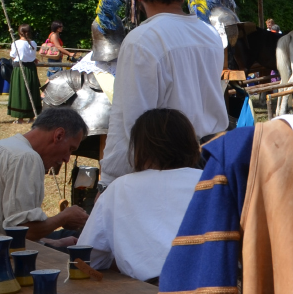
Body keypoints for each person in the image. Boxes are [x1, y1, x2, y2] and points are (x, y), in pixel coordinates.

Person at [101, 0, 228, 184]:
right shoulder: (209, 35)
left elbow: (133, 123)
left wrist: (113, 183)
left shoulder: (142, 39)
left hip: (161, 173)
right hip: (209, 165)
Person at [77, 109, 203, 282]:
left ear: (140, 148)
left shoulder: (119, 188)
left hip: (151, 292)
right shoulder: (212, 181)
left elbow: (87, 257)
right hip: (213, 288)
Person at [0, 107, 89, 241]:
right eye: (70, 149)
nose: (67, 159)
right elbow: (24, 232)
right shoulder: (26, 157)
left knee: (64, 238)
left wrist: (54, 242)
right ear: (58, 135)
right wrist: (64, 218)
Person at [9, 24, 41, 123]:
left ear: (19, 33)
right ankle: (31, 117)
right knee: (31, 90)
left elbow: (13, 56)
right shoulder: (33, 43)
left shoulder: (16, 43)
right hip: (31, 69)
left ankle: (20, 118)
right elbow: (31, 55)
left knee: (20, 92)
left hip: (20, 69)